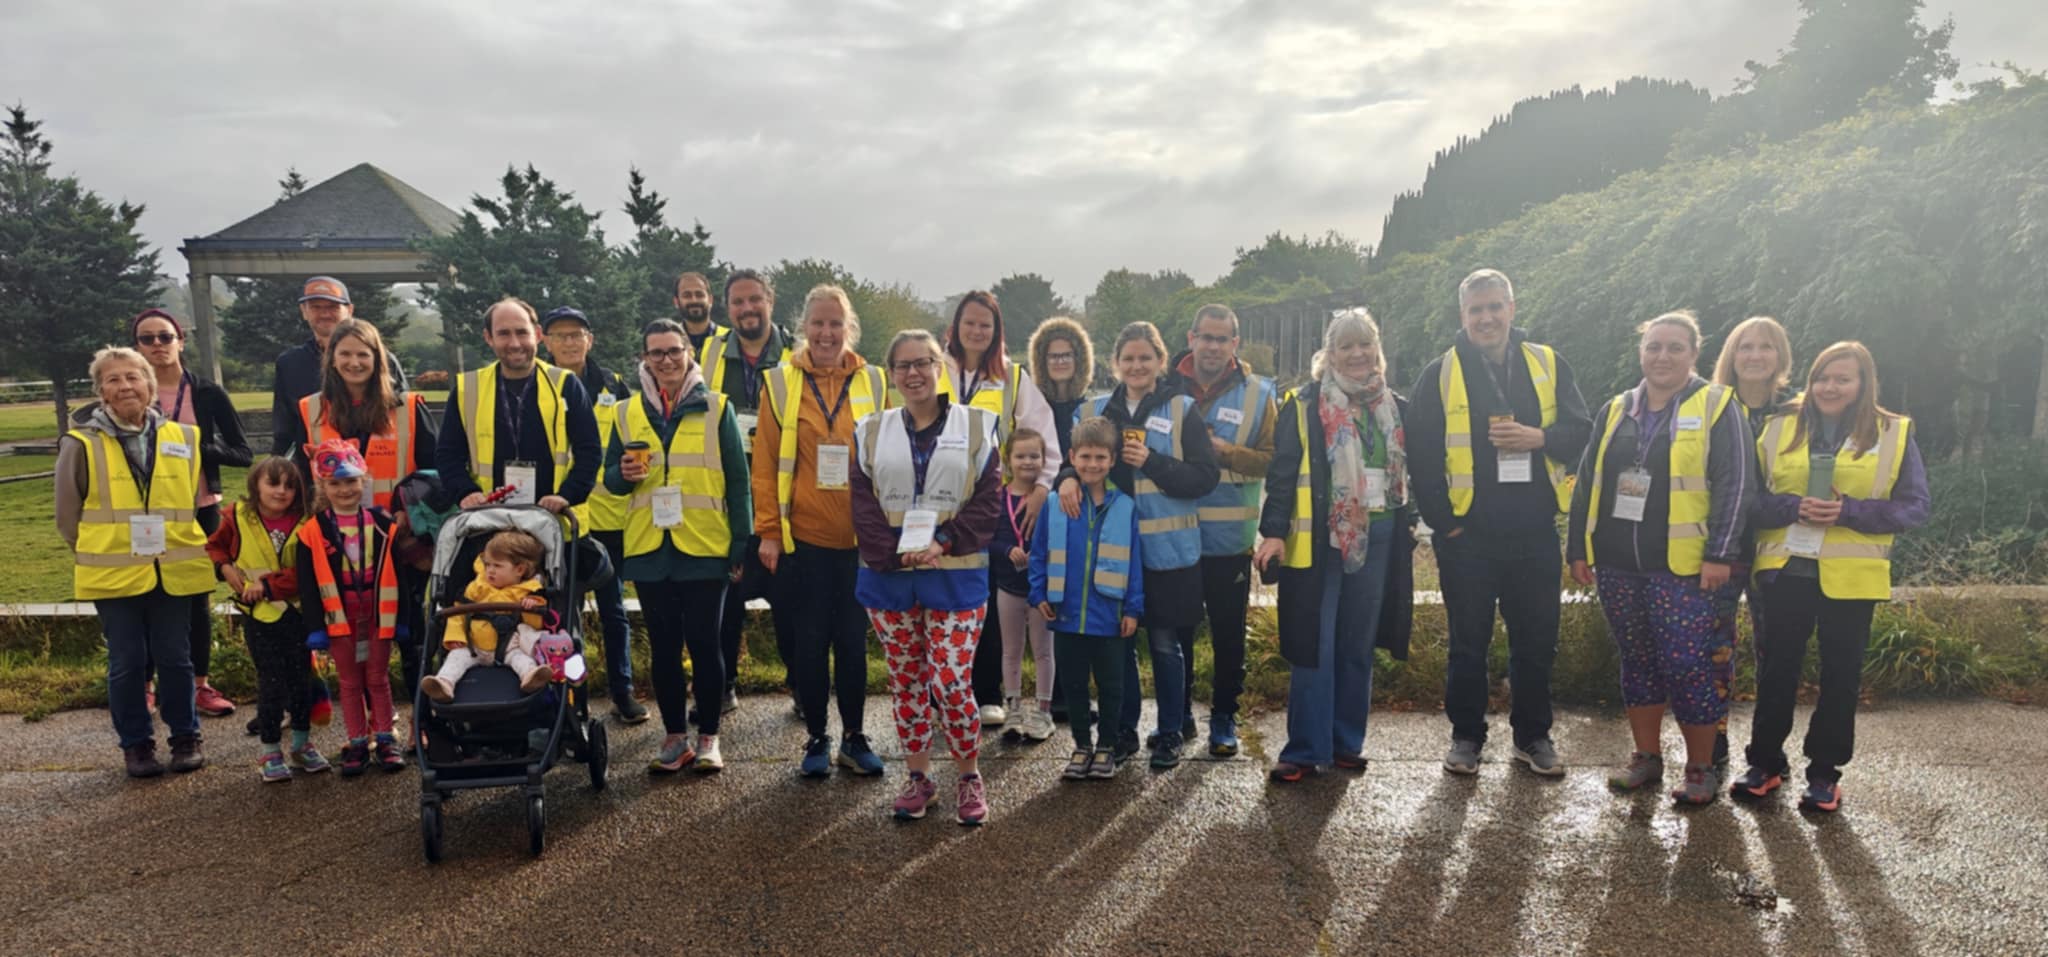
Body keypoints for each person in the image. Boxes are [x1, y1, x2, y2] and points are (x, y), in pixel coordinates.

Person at [1406, 268, 1592, 777]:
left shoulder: (1548, 363)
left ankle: (1533, 736)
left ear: (1511, 308)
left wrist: (1540, 438)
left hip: (1533, 533)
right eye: (1476, 310)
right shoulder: (1439, 374)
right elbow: (1421, 457)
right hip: (1468, 538)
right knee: (1468, 644)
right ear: (1462, 315)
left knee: (1537, 641)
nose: (1486, 318)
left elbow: (1581, 430)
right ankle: (1466, 736)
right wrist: (1445, 525)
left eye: (1494, 307)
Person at [1734, 341, 1929, 813]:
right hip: (1785, 571)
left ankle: (1824, 773)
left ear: (1863, 384)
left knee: (1841, 676)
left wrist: (1849, 512)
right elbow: (1749, 499)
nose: (1830, 387)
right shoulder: (1778, 426)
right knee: (1777, 671)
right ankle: (1764, 763)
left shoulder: (1894, 432)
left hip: (1852, 577)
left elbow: (1914, 507)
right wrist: (1793, 507)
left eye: (1843, 379)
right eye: (1822, 377)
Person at [1567, 311, 1753, 805]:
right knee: (1637, 660)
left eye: (1674, 347)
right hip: (1617, 563)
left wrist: (1721, 553)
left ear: (1694, 353)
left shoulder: (1718, 406)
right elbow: (1588, 482)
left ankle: (1700, 767)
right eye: (1653, 347)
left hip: (1684, 567)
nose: (1662, 356)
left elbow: (1736, 485)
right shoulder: (1616, 409)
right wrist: (1578, 548)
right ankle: (1646, 758)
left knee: (1687, 664)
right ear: (1641, 352)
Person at [1255, 310, 1418, 783]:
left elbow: (1408, 471)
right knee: (1315, 646)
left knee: (1357, 644)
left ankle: (1346, 743)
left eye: (1365, 344)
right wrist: (1273, 531)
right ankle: (1305, 749)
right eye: (1346, 346)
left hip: (1381, 535)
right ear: (1329, 353)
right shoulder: (1304, 404)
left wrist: (1414, 521)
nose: (1357, 353)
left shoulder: (1395, 406)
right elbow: (1282, 473)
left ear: (1377, 350)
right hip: (1321, 541)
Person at [432, 298, 616, 715]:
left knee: (559, 627)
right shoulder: (468, 388)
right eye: (504, 333)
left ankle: (571, 710)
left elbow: (590, 451)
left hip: (551, 526)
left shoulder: (566, 385)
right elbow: (447, 454)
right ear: (488, 338)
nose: (514, 342)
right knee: (485, 617)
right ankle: (486, 708)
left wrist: (569, 493)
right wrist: (465, 492)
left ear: (537, 334)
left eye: (521, 332)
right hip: (488, 529)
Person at [850, 330, 1004, 826]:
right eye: (903, 365)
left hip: (955, 578)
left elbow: (989, 500)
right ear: (891, 373)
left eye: (923, 363)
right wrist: (894, 556)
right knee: (907, 682)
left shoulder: (977, 426)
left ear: (941, 367)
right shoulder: (869, 430)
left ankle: (968, 776)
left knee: (951, 681)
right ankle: (918, 778)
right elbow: (863, 504)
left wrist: (943, 541)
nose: (913, 373)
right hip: (889, 580)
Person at [1056, 321, 1221, 769]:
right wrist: (1067, 477)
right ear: (1114, 363)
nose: (1136, 366)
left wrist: (1153, 461)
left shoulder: (1182, 409)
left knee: (1166, 645)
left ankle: (1170, 732)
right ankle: (1122, 732)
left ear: (1160, 361)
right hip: (1111, 552)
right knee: (1119, 647)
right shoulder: (1093, 409)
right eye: (1128, 358)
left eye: (1145, 357)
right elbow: (1073, 461)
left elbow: (1205, 478)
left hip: (1167, 552)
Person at [56, 346, 214, 777]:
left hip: (173, 567)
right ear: (101, 391)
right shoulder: (81, 443)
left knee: (176, 658)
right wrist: (101, 550)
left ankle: (186, 737)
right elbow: (67, 518)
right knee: (126, 662)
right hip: (113, 572)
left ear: (150, 384)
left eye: (133, 377)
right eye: (113, 379)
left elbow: (187, 502)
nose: (125, 386)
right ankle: (137, 745)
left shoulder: (184, 438)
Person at [755, 286, 890, 776]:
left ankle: (854, 737)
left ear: (849, 329)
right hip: (803, 540)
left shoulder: (874, 380)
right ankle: (816, 737)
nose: (826, 333)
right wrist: (769, 531)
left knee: (852, 644)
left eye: (835, 324)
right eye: (818, 324)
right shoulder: (780, 383)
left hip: (859, 543)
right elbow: (764, 464)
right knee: (810, 643)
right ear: (803, 328)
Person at [605, 319, 751, 773]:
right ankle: (674, 738)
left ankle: (709, 737)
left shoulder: (717, 407)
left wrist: (741, 544)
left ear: (689, 353)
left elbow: (738, 481)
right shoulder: (626, 412)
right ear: (644, 359)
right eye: (656, 353)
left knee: (706, 644)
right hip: (651, 549)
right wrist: (622, 475)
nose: (666, 360)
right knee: (664, 649)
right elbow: (611, 479)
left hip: (705, 546)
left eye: (674, 351)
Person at [293, 318, 437, 701]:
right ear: (331, 358)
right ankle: (371, 722)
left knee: (410, 633)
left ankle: (422, 718)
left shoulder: (407, 408)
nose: (354, 362)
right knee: (355, 639)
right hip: (339, 542)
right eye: (345, 354)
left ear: (378, 359)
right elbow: (302, 476)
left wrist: (409, 512)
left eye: (363, 354)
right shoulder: (311, 410)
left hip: (399, 540)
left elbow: (433, 471)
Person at [942, 291, 1062, 727]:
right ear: (955, 327)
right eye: (970, 323)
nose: (977, 331)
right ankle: (946, 691)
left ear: (997, 332)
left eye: (985, 325)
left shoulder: (1012, 377)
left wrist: (1041, 487)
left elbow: (1045, 437)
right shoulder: (934, 369)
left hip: (991, 505)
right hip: (941, 502)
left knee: (989, 597)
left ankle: (988, 693)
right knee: (946, 597)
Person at [1163, 303, 1277, 756]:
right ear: (1191, 339)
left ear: (1235, 343)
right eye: (1205, 337)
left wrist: (1226, 453)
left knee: (1228, 634)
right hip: (1175, 535)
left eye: (1221, 339)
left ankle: (1225, 717)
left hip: (1229, 541)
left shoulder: (1259, 395)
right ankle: (1180, 715)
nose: (1212, 346)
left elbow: (1274, 460)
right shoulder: (1163, 387)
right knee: (1179, 633)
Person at [131, 309, 252, 720]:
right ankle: (145, 687)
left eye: (165, 336)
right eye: (147, 339)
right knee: (144, 596)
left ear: (181, 341)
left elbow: (243, 453)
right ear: (137, 347)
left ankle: (200, 685)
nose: (157, 345)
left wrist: (195, 444)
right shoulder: (129, 390)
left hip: (199, 508)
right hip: (144, 513)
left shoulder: (207, 393)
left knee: (198, 599)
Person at [540, 305, 646, 724]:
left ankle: (623, 692)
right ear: (546, 342)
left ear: (590, 339)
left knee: (614, 612)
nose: (569, 342)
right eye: (560, 336)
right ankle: (574, 697)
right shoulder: (538, 386)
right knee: (566, 620)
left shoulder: (614, 386)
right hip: (563, 522)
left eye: (576, 334)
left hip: (611, 518)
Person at [1029, 417, 1143, 781]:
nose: (1092, 465)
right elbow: (1038, 552)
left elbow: (1134, 563)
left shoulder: (1125, 506)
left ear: (1112, 460)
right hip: (1065, 614)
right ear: (1071, 457)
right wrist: (1038, 592)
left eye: (1100, 457)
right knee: (1075, 685)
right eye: (1086, 457)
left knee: (1111, 685)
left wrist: (1133, 608)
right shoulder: (1054, 503)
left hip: (1109, 615)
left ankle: (1106, 746)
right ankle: (1081, 746)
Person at [1708, 315, 1798, 772]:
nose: (1755, 355)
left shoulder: (1801, 412)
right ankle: (1713, 738)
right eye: (1746, 347)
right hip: (1721, 548)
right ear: (1731, 354)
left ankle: (1767, 747)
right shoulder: (1710, 407)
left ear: (1780, 356)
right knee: (1714, 650)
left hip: (1779, 549)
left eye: (1766, 347)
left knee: (1776, 652)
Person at [709, 269, 798, 720]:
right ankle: (722, 686)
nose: (747, 309)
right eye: (738, 302)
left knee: (793, 606)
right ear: (727, 308)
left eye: (754, 300)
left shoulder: (797, 354)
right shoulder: (709, 354)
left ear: (770, 301)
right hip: (728, 501)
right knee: (725, 606)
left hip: (786, 502)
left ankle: (802, 688)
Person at [205, 457, 328, 781]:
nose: (281, 491)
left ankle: (301, 744)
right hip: (259, 617)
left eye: (290, 485)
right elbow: (215, 546)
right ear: (255, 486)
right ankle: (270, 750)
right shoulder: (236, 516)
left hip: (298, 613)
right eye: (273, 483)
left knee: (302, 682)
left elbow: (308, 570)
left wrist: (270, 586)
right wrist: (224, 568)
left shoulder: (308, 521)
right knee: (271, 683)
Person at [297, 440, 407, 776]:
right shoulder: (312, 531)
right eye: (335, 483)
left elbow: (400, 575)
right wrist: (316, 627)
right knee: (349, 681)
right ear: (323, 486)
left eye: (351, 481)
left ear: (364, 481)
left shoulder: (383, 524)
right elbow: (307, 586)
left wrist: (402, 620)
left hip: (377, 614)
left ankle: (385, 738)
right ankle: (357, 741)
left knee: (377, 677)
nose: (344, 490)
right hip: (339, 616)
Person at [269, 276, 407, 456]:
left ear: (349, 310)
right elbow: (284, 430)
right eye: (316, 307)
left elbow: (404, 416)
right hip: (318, 468)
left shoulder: (382, 360)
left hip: (380, 460)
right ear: (304, 311)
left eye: (333, 307)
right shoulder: (289, 363)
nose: (325, 314)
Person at [423, 529, 555, 701]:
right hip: (474, 646)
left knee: (521, 659)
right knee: (456, 657)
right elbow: (458, 613)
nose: (490, 571)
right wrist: (455, 636)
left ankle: (531, 677)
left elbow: (534, 627)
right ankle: (444, 684)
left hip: (509, 647)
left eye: (497, 566)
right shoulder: (477, 587)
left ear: (519, 569)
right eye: (487, 565)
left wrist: (531, 608)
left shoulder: (527, 591)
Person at [989, 428, 1056, 742]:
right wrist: (1007, 550)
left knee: (1043, 652)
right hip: (1008, 587)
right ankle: (1013, 710)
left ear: (1044, 460)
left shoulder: (1050, 500)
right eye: (1020, 456)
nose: (1028, 462)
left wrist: (1040, 556)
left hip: (1041, 590)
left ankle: (1043, 713)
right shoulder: (998, 497)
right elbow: (989, 538)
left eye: (1034, 456)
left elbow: (1058, 538)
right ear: (1008, 461)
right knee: (1011, 651)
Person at [1027, 316, 1094, 475]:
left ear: (1079, 359)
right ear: (1042, 361)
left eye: (1067, 355)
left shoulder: (1090, 411)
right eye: (1053, 356)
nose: (1060, 361)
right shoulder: (1032, 411)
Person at [674, 271, 722, 356]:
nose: (694, 300)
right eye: (687, 296)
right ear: (676, 302)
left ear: (710, 300)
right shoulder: (668, 341)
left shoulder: (729, 339)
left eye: (699, 295)